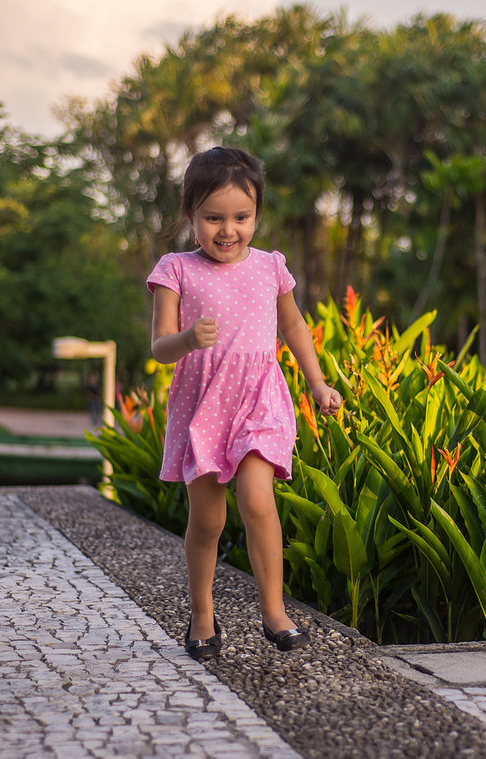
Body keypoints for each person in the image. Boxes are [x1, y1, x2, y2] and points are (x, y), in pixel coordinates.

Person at [147, 146, 343, 661]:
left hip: (259, 398)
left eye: (241, 217)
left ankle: (274, 611)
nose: (227, 229)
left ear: (256, 215)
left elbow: (294, 325)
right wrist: (188, 338)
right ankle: (203, 612)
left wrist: (318, 383)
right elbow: (160, 346)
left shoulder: (271, 267)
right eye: (213, 217)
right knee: (208, 521)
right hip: (203, 404)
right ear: (191, 216)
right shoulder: (176, 269)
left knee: (258, 500)